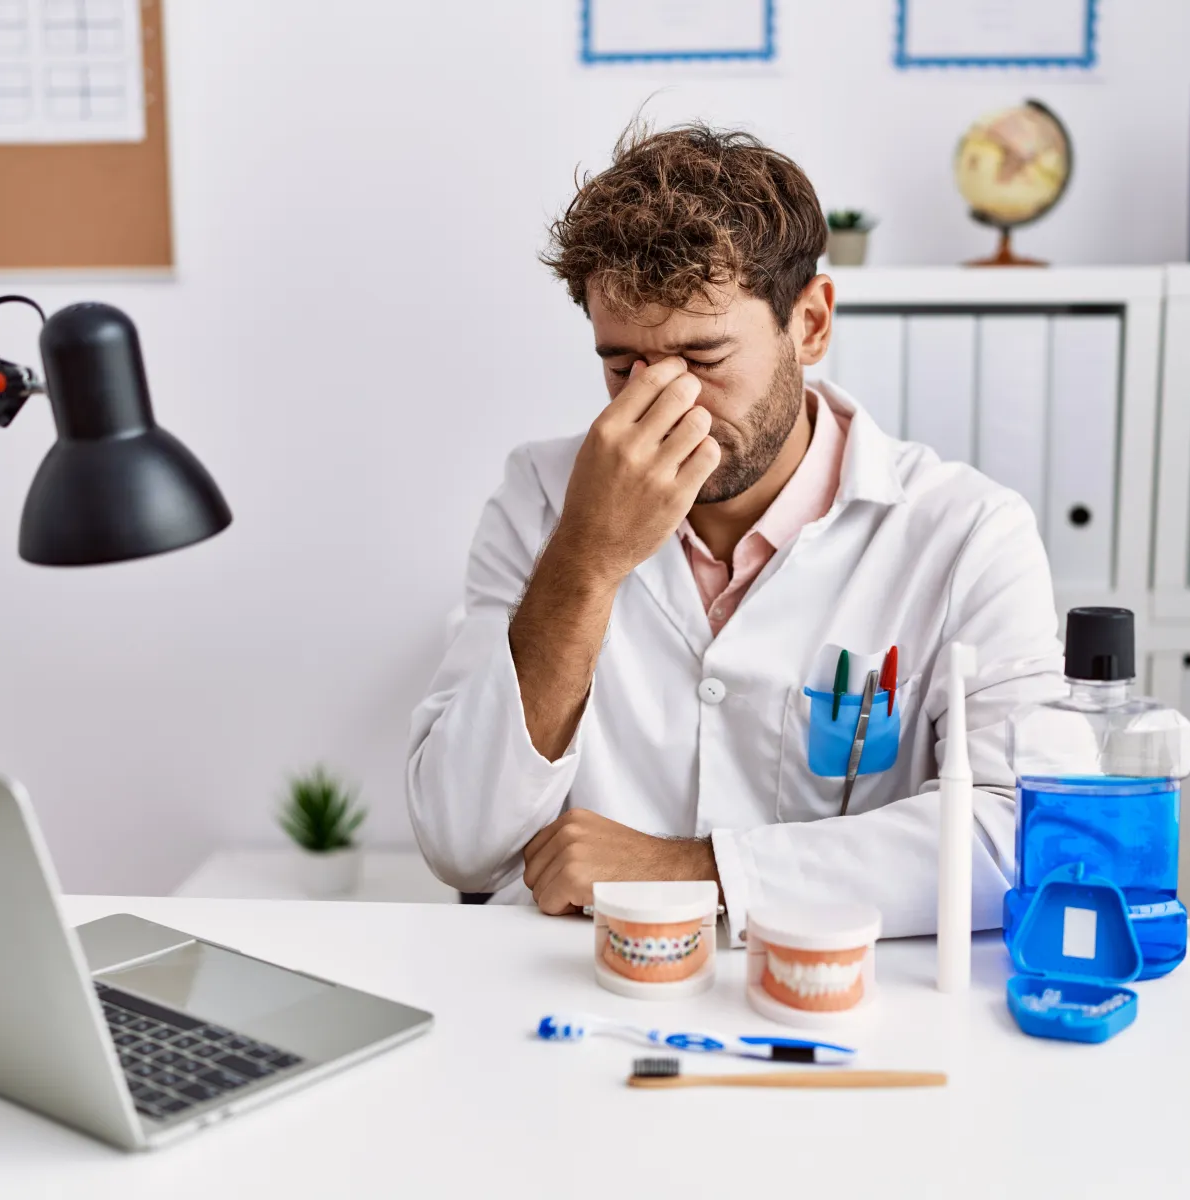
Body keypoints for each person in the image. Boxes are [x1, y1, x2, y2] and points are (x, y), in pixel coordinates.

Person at [405, 123, 1064, 941]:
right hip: (573, 993)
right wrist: (585, 557)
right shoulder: (540, 498)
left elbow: (1024, 840)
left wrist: (696, 872)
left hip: (831, 998)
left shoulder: (967, 533)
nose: (663, 405)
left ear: (811, 325)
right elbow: (460, 842)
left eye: (705, 358)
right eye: (622, 366)